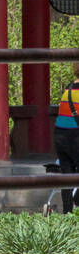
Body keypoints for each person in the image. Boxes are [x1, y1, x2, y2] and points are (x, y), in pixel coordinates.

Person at [54, 62, 79, 212]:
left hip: (60, 135)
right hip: (75, 136)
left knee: (67, 174)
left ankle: (67, 213)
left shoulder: (69, 87)